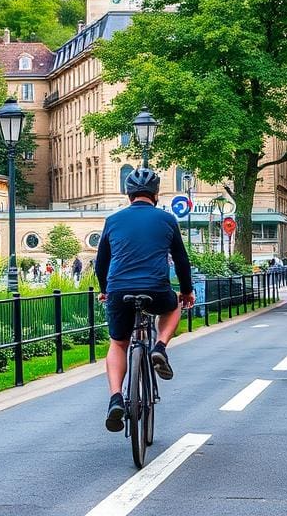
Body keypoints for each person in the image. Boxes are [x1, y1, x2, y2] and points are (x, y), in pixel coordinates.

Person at [94, 167, 195, 432]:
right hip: (155, 288)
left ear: (128, 195)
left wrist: (105, 289)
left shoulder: (113, 220)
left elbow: (101, 262)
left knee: (118, 343)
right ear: (156, 194)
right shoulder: (167, 219)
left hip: (118, 290)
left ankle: (116, 398)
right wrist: (186, 291)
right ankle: (160, 347)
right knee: (173, 305)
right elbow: (182, 261)